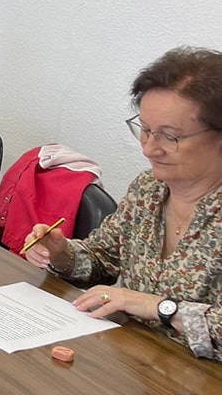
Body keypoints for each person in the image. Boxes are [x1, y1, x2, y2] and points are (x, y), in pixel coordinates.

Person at [23, 47, 222, 360]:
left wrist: (154, 306)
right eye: (144, 130)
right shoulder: (149, 189)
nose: (149, 149)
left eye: (169, 137)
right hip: (141, 366)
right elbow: (103, 261)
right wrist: (61, 253)